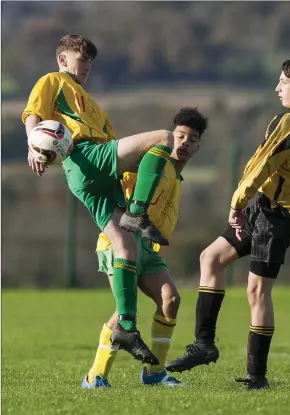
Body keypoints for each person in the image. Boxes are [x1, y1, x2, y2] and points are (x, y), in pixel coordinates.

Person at [165, 57, 290, 390]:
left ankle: (256, 377)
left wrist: (237, 203)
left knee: (257, 292)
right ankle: (204, 344)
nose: (277, 88)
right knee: (210, 258)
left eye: (283, 83)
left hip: (276, 217)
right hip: (266, 208)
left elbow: (262, 162)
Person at [22, 34, 178, 365]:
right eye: (82, 59)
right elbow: (32, 114)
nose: (88, 66)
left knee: (125, 248)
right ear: (63, 60)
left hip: (97, 176)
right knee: (164, 138)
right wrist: (34, 146)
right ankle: (137, 213)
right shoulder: (54, 80)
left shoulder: (92, 104)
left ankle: (126, 326)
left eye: (91, 61)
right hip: (86, 156)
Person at [81, 107, 208, 388]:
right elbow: (118, 170)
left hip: (148, 250)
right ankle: (95, 376)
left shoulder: (177, 177)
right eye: (180, 135)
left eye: (192, 138)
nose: (185, 142)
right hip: (119, 242)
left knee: (170, 301)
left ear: (199, 145)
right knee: (123, 312)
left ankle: (154, 373)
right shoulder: (151, 161)